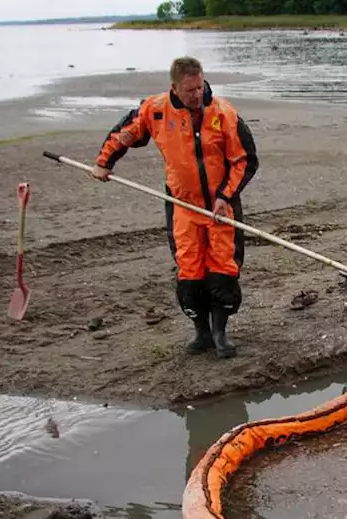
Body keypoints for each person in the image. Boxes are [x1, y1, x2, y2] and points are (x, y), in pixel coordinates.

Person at [92, 56, 258, 359]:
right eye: (189, 90)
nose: (197, 95)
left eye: (200, 87)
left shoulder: (224, 112)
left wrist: (225, 195)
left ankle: (221, 333)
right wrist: (104, 162)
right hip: (182, 206)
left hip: (221, 208)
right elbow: (124, 134)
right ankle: (201, 333)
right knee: (189, 272)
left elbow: (245, 160)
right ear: (175, 87)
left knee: (223, 270)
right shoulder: (154, 111)